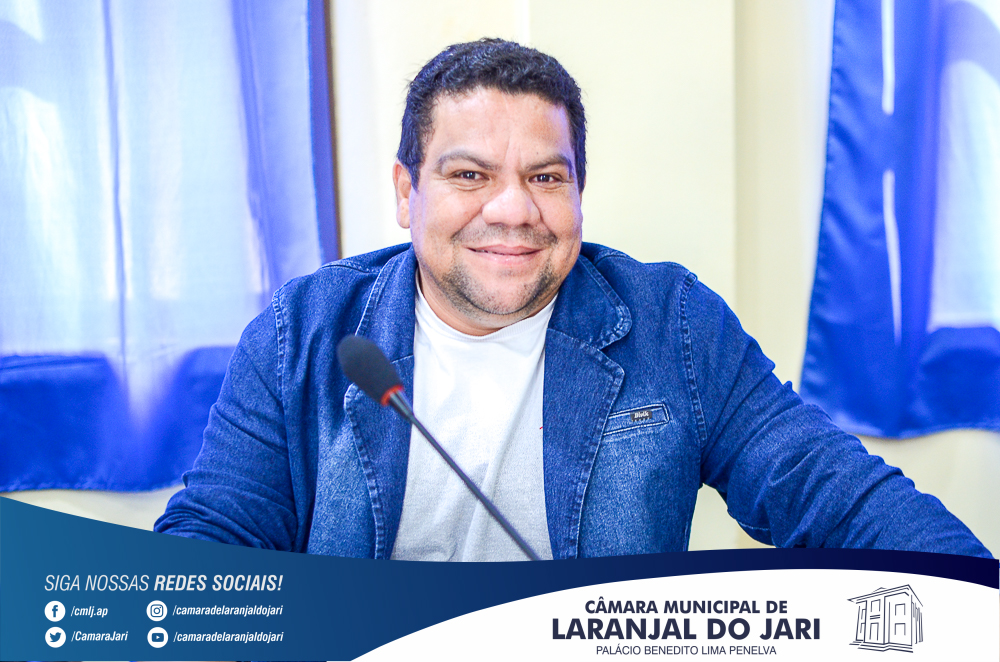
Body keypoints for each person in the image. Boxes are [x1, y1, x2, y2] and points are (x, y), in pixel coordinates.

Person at [155, 39, 992, 561]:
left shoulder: (672, 324)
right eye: (469, 175)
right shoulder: (301, 332)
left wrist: (974, 605)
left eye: (546, 178)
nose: (513, 209)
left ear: (579, 193)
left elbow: (836, 494)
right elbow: (213, 543)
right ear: (406, 192)